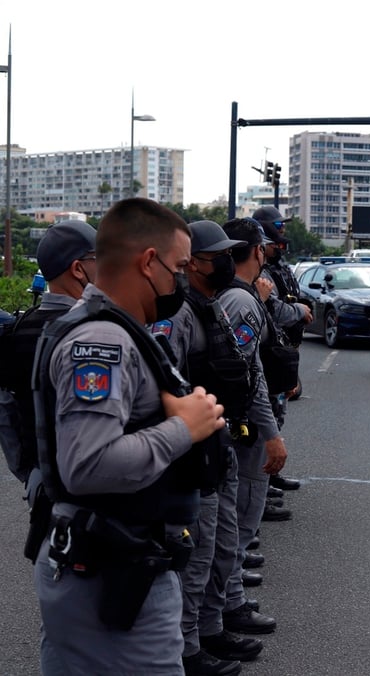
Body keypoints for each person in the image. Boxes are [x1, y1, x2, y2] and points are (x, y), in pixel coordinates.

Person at [32, 198, 225, 674]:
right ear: (148, 262)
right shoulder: (102, 343)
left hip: (110, 561)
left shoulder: (115, 331)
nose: (183, 278)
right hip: (113, 568)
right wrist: (185, 428)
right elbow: (88, 465)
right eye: (180, 266)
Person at [153, 220, 264, 675]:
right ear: (193, 263)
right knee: (196, 555)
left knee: (219, 546)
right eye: (217, 254)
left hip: (218, 443)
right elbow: (164, 390)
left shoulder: (209, 305)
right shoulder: (177, 315)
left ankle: (209, 628)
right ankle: (186, 648)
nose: (225, 261)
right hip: (192, 454)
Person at [219, 217, 290, 636]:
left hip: (236, 420)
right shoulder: (243, 302)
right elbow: (249, 376)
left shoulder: (243, 297)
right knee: (241, 510)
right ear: (258, 251)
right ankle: (229, 604)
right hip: (241, 424)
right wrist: (269, 433)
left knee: (234, 514)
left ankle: (228, 598)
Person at [1, 220, 97, 486]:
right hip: (93, 483)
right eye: (98, 258)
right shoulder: (94, 329)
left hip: (42, 478)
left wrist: (29, 474)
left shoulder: (20, 328)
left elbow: (6, 410)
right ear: (78, 269)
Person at [252, 206, 309, 493]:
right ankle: (260, 483)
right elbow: (275, 310)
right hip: (268, 352)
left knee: (277, 416)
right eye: (278, 226)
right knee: (266, 421)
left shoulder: (279, 266)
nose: (283, 230)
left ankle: (267, 479)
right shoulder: (260, 272)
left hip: (283, 350)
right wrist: (299, 311)